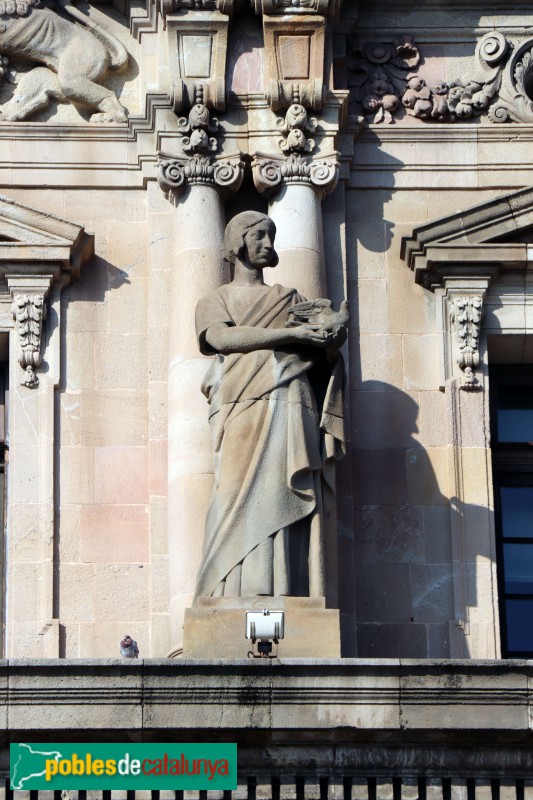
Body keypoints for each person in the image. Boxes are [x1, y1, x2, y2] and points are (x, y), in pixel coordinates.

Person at [193, 210, 347, 599]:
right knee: (232, 492)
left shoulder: (290, 300)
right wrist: (292, 335)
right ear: (238, 242)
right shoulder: (216, 299)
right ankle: (229, 591)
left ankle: (286, 591)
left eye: (271, 236)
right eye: (258, 235)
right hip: (239, 403)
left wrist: (332, 334)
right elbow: (222, 340)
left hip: (290, 399)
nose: (267, 244)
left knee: (283, 489)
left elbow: (321, 352)